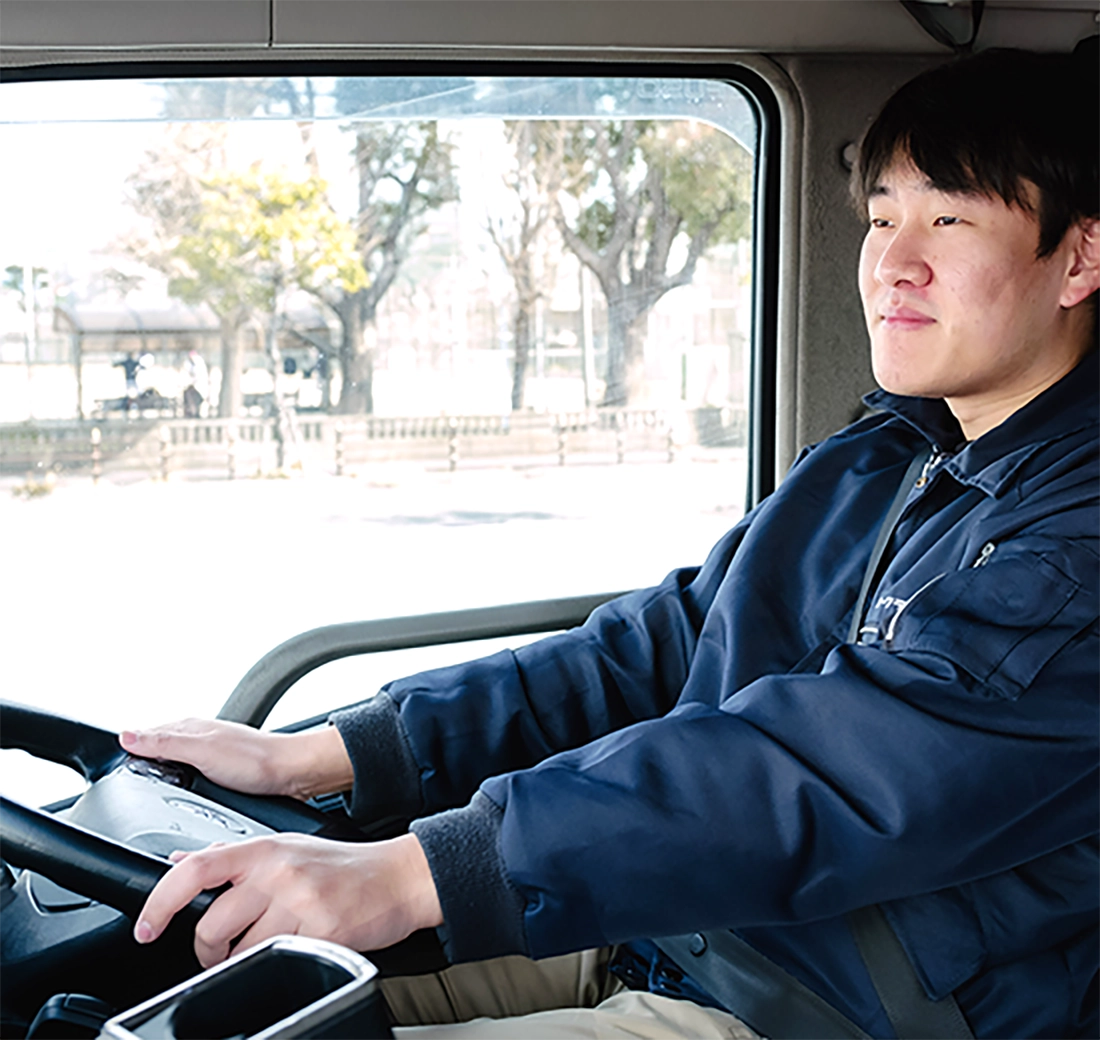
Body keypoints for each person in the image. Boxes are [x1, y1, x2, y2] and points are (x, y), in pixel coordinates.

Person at [120, 48, 1100, 1039]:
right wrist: (325, 754)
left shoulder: (1076, 544)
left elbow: (812, 773)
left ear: (1076, 259)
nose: (892, 259)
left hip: (818, 1007)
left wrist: (426, 871)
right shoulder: (883, 454)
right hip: (681, 928)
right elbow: (663, 641)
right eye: (882, 216)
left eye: (948, 218)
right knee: (174, 992)